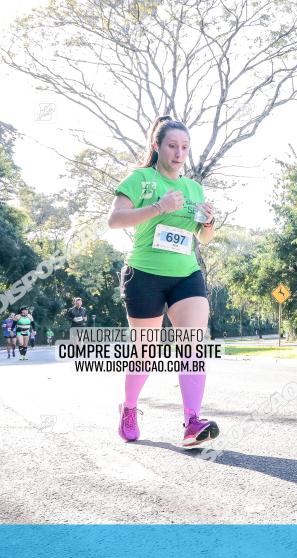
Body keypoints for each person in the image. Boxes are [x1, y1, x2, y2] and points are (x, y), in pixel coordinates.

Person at [107, 115, 219, 447]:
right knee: (145, 353)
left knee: (192, 344)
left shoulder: (193, 187)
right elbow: (114, 220)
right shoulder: (140, 179)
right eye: (172, 145)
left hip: (186, 274)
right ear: (157, 146)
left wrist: (210, 222)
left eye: (184, 147)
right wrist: (158, 206)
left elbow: (206, 238)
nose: (179, 153)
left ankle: (192, 421)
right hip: (144, 275)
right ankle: (129, 408)